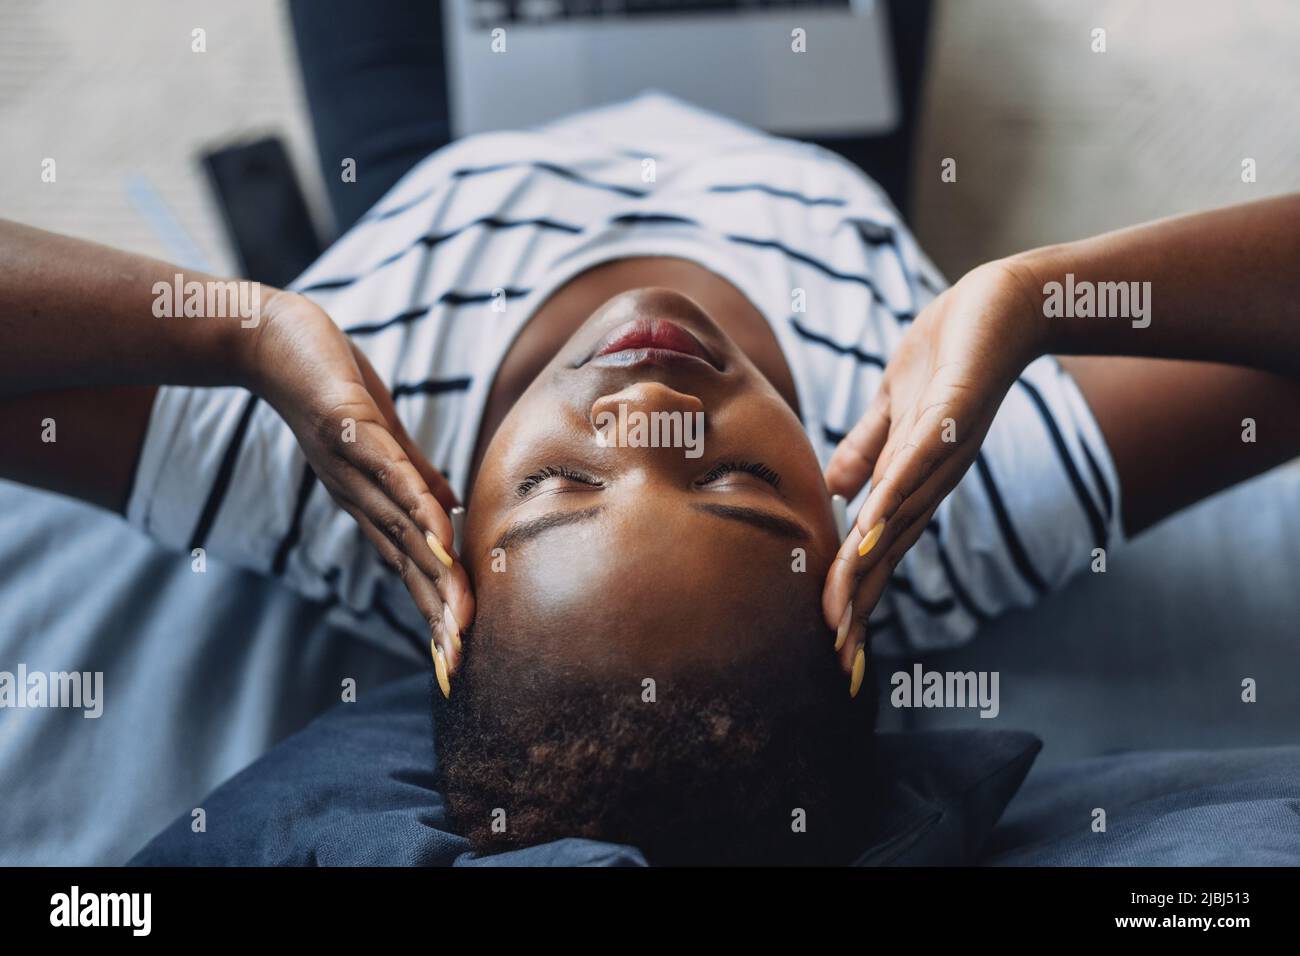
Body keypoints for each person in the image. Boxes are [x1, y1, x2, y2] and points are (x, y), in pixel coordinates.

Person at [4, 20, 1298, 865]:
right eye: (739, 480)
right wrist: (1031, 297)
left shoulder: (336, 476)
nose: (646, 408)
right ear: (851, 566)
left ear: (443, 547)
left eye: (561, 484)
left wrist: (236, 332)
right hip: (787, 97)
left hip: (457, 119)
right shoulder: (936, 494)